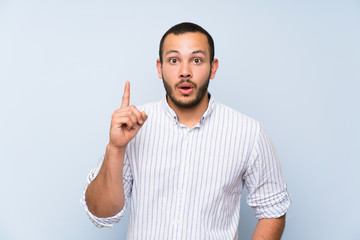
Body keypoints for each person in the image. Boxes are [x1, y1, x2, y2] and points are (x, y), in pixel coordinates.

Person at [81, 22, 291, 239]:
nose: (184, 72)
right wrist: (116, 148)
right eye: (174, 60)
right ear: (160, 68)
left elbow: (272, 210)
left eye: (197, 60)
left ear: (213, 67)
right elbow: (102, 213)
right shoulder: (132, 126)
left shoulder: (249, 132)